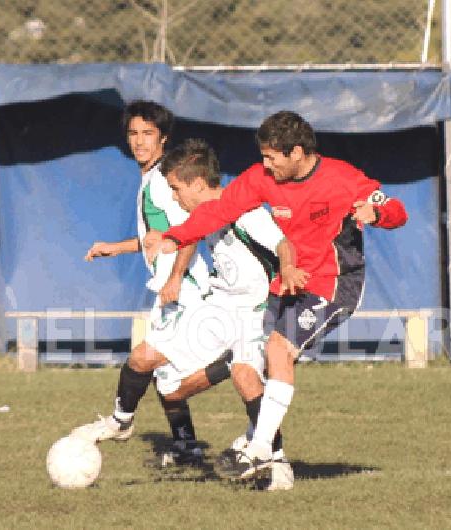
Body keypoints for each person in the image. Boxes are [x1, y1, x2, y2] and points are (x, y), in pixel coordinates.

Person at [149, 110, 408, 480]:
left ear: (297, 153)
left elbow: (396, 210)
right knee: (245, 369)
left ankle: (258, 450)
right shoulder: (262, 178)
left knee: (278, 350)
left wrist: (376, 212)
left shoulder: (344, 179)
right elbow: (218, 211)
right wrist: (175, 237)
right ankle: (271, 458)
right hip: (286, 283)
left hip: (332, 285)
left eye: (272, 157)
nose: (265, 165)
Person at [143, 137, 302, 490]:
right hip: (226, 310)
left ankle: (276, 462)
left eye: (175, 189)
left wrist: (287, 272)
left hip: (262, 312)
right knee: (168, 380)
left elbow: (282, 244)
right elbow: (186, 238)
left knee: (246, 376)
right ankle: (254, 446)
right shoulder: (206, 216)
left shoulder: (245, 211)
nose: (173, 197)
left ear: (197, 184)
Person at [78, 100, 225, 466]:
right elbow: (159, 236)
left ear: (164, 139)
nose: (139, 141)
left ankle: (121, 421)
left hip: (186, 288)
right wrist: (117, 247)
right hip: (171, 288)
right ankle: (187, 447)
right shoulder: (150, 177)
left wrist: (175, 277)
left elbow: (191, 231)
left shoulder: (163, 180)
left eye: (148, 134)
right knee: (165, 375)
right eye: (133, 133)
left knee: (142, 361)